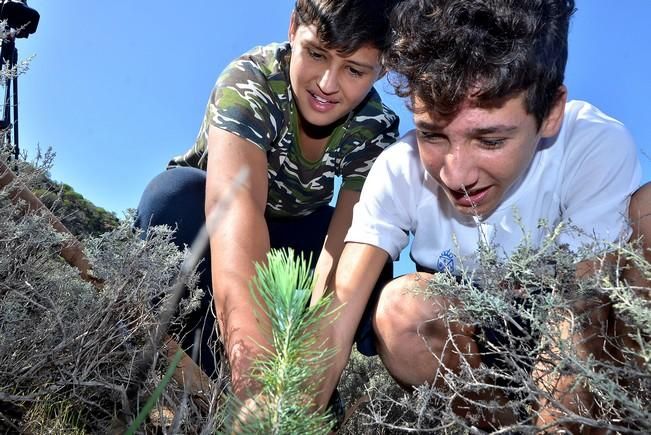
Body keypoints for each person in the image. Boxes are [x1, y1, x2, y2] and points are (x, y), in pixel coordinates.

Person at [315, 0, 650, 431]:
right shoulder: (399, 168)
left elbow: (579, 314)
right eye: (432, 134)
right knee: (400, 309)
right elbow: (338, 313)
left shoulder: (592, 145)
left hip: (581, 330)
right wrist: (285, 414)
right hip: (485, 354)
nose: (455, 176)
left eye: (490, 140)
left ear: (550, 113)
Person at [135, 0, 400, 403]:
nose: (328, 84)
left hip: (297, 237)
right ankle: (183, 350)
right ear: (294, 28)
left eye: (354, 69)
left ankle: (316, 396)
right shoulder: (250, 82)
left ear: (383, 66)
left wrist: (303, 388)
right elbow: (236, 218)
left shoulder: (376, 129)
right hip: (213, 232)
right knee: (171, 198)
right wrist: (254, 387)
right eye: (315, 54)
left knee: (371, 260)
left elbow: (346, 252)